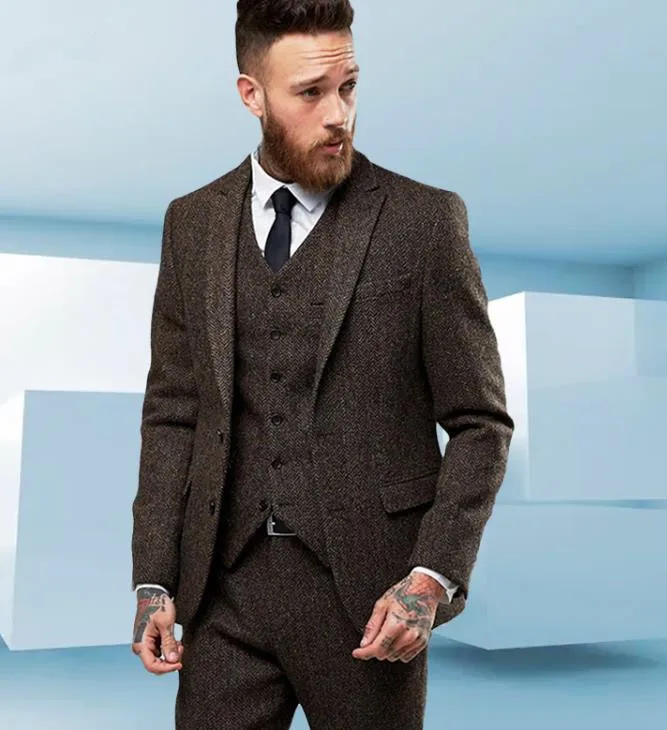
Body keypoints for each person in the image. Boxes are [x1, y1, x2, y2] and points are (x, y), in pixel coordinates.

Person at [130, 1, 514, 727]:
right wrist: (154, 577)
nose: (338, 114)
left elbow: (480, 423)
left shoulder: (424, 221)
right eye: (310, 92)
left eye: (349, 86)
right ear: (252, 95)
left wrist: (429, 579)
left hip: (370, 600)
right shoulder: (192, 222)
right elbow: (174, 412)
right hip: (222, 597)